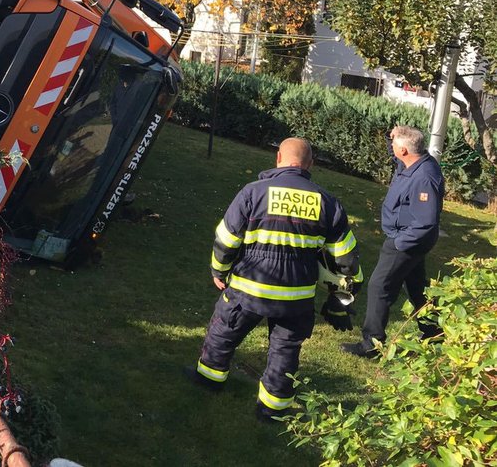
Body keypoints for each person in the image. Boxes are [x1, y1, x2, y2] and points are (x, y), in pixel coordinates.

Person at [187, 138, 361, 422]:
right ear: (310, 164)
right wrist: (341, 298)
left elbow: (227, 240)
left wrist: (219, 271)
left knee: (224, 333)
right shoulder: (328, 203)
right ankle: (273, 410)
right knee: (285, 351)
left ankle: (209, 380)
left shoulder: (253, 193)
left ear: (278, 157)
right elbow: (346, 259)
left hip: (248, 289)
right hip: (296, 297)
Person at [341, 125, 444, 358]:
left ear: (405, 150)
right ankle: (434, 333)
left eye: (394, 145)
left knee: (380, 286)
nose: (391, 147)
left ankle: (372, 344)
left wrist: (399, 243)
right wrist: (399, 133)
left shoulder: (424, 177)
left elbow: (426, 221)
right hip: (407, 239)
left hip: (407, 241)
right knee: (417, 288)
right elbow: (400, 158)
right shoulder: (411, 163)